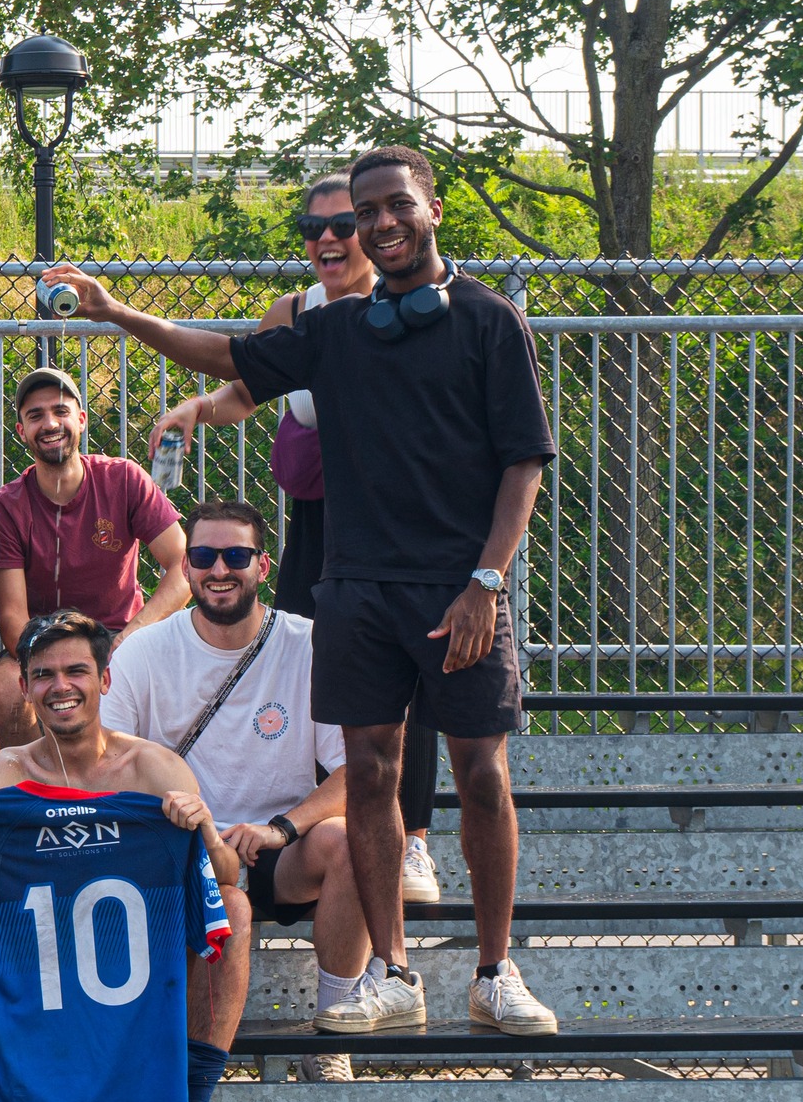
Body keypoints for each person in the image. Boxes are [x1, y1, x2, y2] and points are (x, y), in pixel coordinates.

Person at [43, 143, 559, 1037]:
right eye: (365, 213)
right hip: (357, 589)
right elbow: (224, 355)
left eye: (396, 205)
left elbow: (524, 464)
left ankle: (493, 969)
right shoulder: (339, 329)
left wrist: (487, 580)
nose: (380, 224)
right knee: (370, 774)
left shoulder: (486, 319)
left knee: (480, 774)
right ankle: (393, 975)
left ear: (431, 208)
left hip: (459, 591)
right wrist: (116, 310)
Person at [150, 170, 441, 907]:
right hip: (320, 513)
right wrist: (197, 409)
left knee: (409, 672)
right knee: (326, 661)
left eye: (346, 224)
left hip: (393, 514)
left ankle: (412, 838)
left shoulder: (405, 308)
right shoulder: (297, 310)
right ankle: (339, 820)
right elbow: (247, 389)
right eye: (315, 229)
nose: (332, 239)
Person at [0, 610, 249, 1102]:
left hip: (135, 949)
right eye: (44, 674)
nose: (61, 687)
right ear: (24, 688)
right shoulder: (1, 776)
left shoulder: (152, 768)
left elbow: (225, 878)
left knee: (236, 911)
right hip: (40, 951)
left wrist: (202, 828)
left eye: (76, 670)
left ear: (104, 679)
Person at [100, 500, 368, 1078]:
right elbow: (104, 761)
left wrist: (281, 829)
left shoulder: (308, 643)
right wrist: (181, 825)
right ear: (186, 568)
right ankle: (178, 1072)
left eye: (236, 555)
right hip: (179, 847)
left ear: (263, 566)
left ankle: (335, 1026)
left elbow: (357, 774)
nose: (219, 569)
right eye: (203, 556)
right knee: (232, 909)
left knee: (353, 839)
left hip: (272, 847)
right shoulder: (143, 652)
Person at [0, 367, 190, 745]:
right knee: (7, 690)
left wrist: (133, 635)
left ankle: (143, 786)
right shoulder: (6, 506)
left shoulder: (124, 479)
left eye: (60, 411)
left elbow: (183, 565)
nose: (50, 423)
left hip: (120, 632)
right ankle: (36, 792)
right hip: (43, 640)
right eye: (35, 416)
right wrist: (53, 658)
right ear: (21, 431)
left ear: (80, 419)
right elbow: (12, 616)